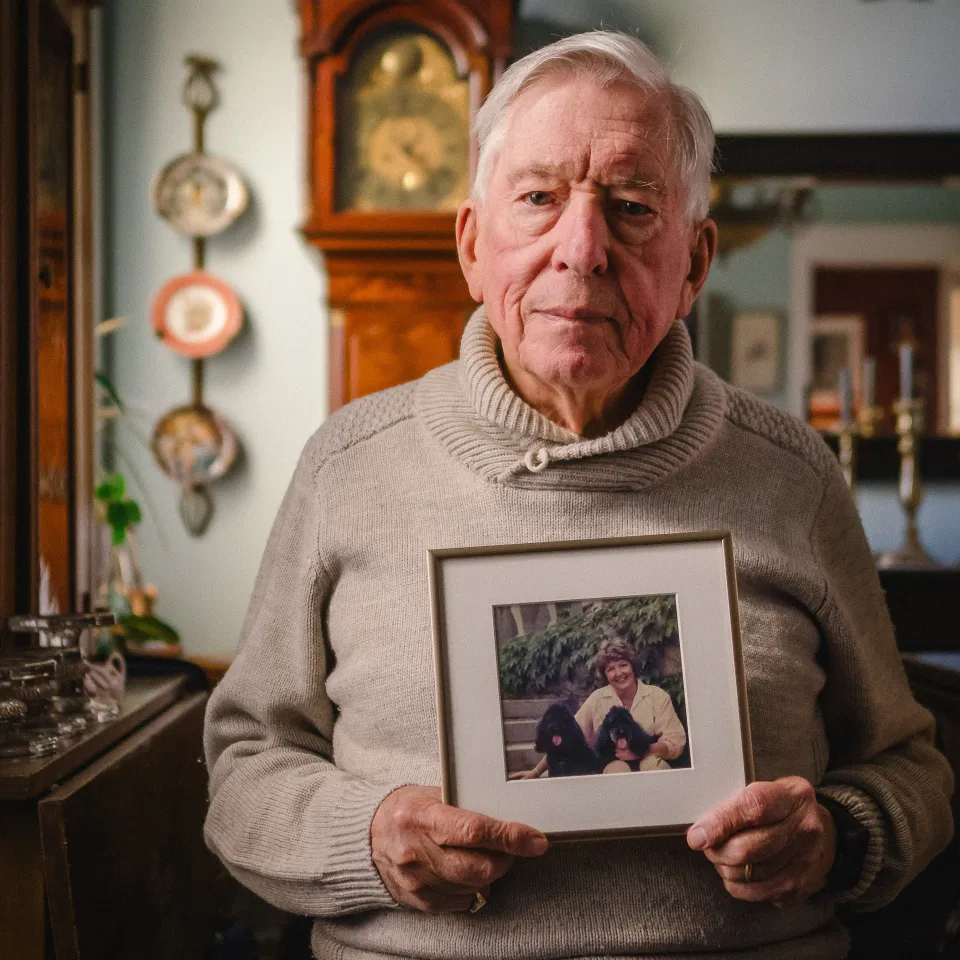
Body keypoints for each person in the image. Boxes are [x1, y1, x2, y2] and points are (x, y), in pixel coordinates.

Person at [203, 30, 953, 960]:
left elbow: (912, 772)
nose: (583, 248)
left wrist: (837, 836)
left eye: (634, 208)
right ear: (473, 246)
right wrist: (368, 838)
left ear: (695, 262)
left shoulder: (792, 474)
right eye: (538, 199)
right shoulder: (347, 466)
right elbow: (243, 775)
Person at [515, 638, 686, 777]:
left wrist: (641, 751)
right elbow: (569, 736)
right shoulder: (597, 699)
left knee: (653, 767)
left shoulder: (657, 697)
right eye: (611, 669)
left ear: (633, 666)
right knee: (618, 771)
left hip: (650, 757)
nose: (618, 673)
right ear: (605, 675)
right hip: (613, 763)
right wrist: (536, 772)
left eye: (623, 665)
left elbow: (675, 741)